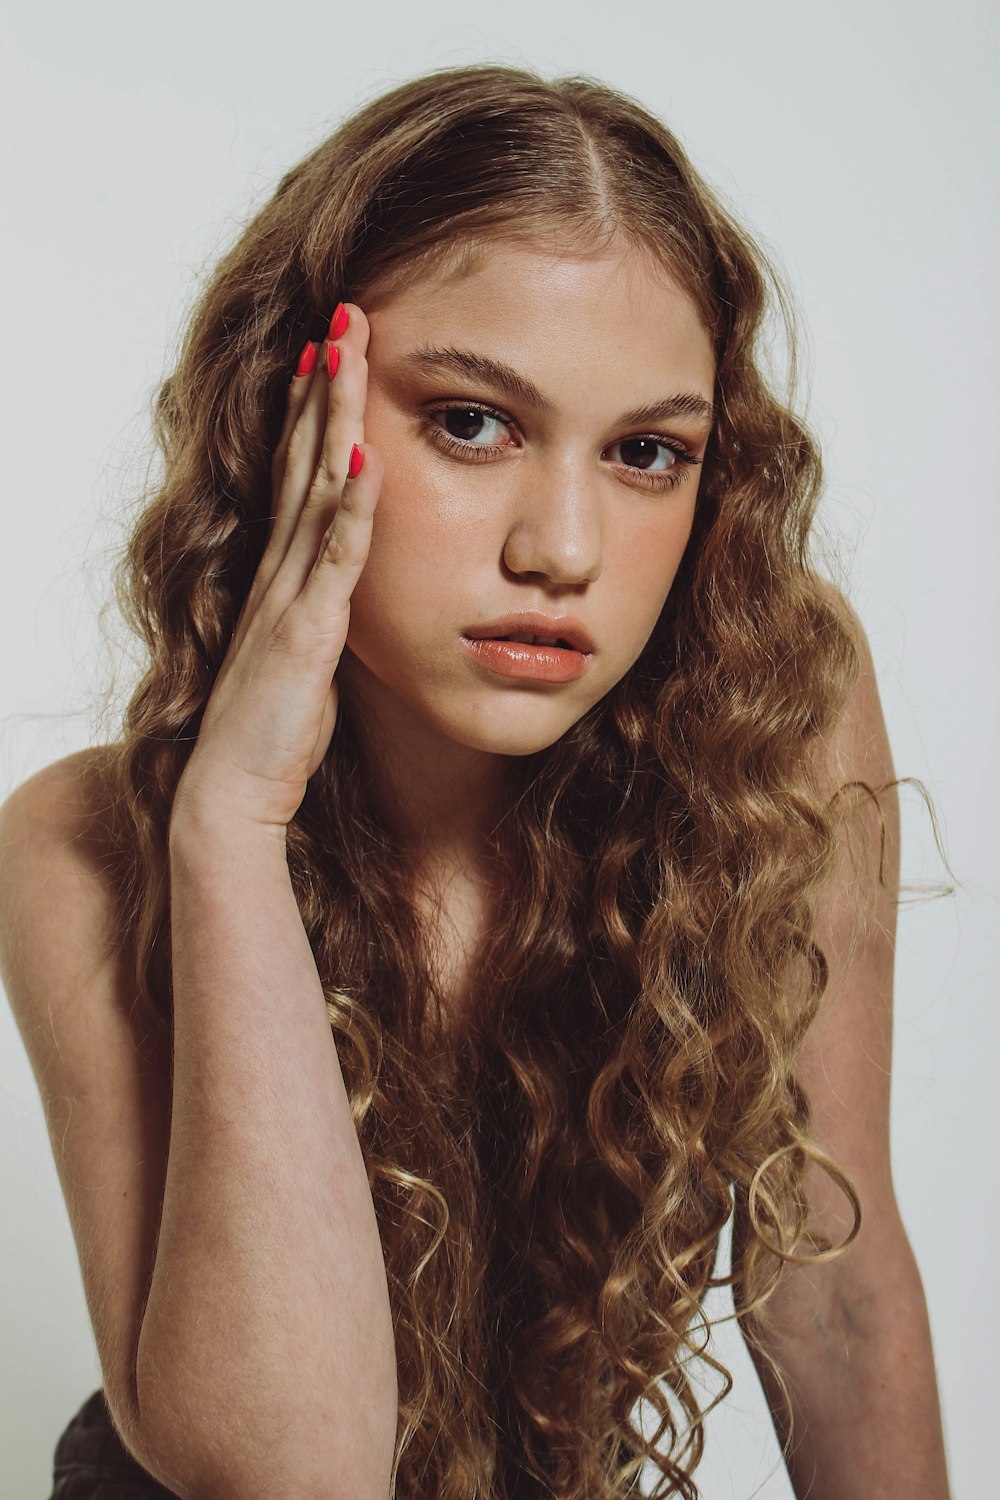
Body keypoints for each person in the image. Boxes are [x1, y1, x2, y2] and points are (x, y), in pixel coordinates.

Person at [0, 61, 951, 1500]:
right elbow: (297, 1472)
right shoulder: (81, 847)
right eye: (471, 422)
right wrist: (233, 826)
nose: (562, 546)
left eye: (646, 452)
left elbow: (834, 1274)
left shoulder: (774, 710)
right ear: (292, 412)